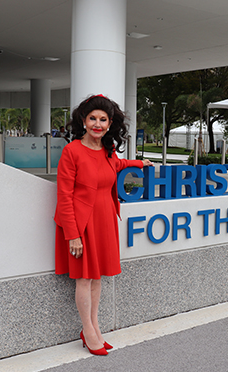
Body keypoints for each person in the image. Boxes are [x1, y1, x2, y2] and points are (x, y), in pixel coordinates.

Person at [54, 94, 153, 356]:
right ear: (83, 121)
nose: (97, 124)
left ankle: (94, 327)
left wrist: (139, 163)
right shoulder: (72, 151)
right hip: (82, 224)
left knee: (97, 279)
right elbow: (63, 195)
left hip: (104, 221)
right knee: (84, 279)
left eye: (103, 119)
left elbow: (117, 165)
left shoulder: (107, 151)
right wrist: (72, 235)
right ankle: (88, 330)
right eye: (93, 118)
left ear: (109, 124)